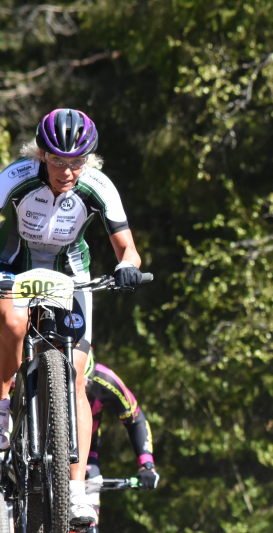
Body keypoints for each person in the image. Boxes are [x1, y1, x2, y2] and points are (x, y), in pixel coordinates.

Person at [0, 109, 144, 528]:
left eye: (76, 161)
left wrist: (127, 267)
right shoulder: (16, 177)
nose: (67, 171)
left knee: (77, 377)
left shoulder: (98, 186)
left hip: (71, 278)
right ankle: (3, 408)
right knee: (12, 325)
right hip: (14, 270)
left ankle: (76, 490)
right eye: (57, 160)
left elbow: (128, 249)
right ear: (42, 155)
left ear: (88, 159)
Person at [83, 347, 158, 532]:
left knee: (87, 523)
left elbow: (136, 420)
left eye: (84, 386)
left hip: (86, 456)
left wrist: (147, 465)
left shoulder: (105, 379)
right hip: (41, 451)